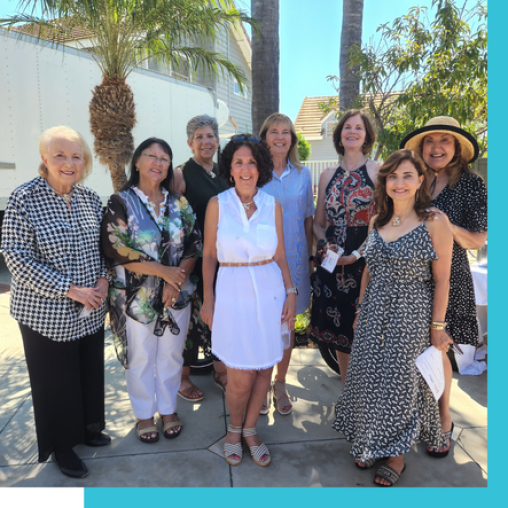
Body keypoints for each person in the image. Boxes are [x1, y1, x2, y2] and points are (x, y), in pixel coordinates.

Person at [334, 149, 453, 486]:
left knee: (400, 383)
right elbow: (369, 269)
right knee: (368, 376)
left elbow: (443, 279)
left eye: (407, 176)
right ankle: (370, 441)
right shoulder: (377, 221)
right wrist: (360, 309)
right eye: (393, 176)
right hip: (373, 310)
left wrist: (437, 327)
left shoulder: (434, 221)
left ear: (419, 181)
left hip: (411, 311)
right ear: (384, 182)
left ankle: (396, 456)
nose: (399, 183)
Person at [0, 126, 110, 479]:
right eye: (60, 155)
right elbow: (16, 257)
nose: (69, 163)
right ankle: (62, 446)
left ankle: (88, 428)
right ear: (44, 158)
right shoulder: (24, 199)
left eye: (76, 156)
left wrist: (103, 278)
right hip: (45, 314)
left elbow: (104, 247)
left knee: (89, 372)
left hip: (90, 309)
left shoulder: (89, 198)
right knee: (56, 382)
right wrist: (69, 289)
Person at [201, 135, 297, 467]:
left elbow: (280, 255)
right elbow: (209, 254)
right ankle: (233, 430)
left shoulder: (273, 205)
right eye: (238, 162)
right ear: (229, 169)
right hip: (232, 295)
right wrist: (209, 298)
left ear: (261, 167)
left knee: (263, 370)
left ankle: (251, 429)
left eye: (252, 162)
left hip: (270, 293)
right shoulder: (217, 204)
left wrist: (291, 292)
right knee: (239, 377)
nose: (245, 169)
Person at [101, 137, 202, 444]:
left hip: (176, 295)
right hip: (135, 298)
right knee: (141, 356)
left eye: (164, 159)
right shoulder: (120, 202)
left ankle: (168, 409)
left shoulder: (179, 202)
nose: (158, 163)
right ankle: (144, 414)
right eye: (152, 156)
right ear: (137, 161)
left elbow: (194, 243)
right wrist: (164, 272)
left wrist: (175, 281)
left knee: (171, 355)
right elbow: (117, 247)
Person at [400, 116, 487, 458]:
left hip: (450, 277)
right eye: (430, 141)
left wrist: (446, 225)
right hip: (413, 276)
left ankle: (443, 417)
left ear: (457, 148)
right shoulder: (416, 180)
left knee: (439, 349)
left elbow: (478, 239)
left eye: (444, 140)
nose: (436, 147)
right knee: (413, 350)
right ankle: (417, 415)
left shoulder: (472, 184)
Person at [310, 109, 380, 384]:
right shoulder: (327, 174)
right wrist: (325, 245)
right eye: (347, 127)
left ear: (367, 136)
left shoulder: (378, 171)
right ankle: (347, 393)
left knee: (364, 330)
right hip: (332, 263)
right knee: (339, 334)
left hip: (365, 262)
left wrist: (358, 254)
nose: (352, 131)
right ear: (339, 135)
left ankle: (366, 395)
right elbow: (318, 223)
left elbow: (383, 222)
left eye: (358, 127)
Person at [259, 113, 315, 415]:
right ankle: (261, 383)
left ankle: (280, 383)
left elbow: (308, 219)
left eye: (286, 132)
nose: (280, 137)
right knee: (265, 323)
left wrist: (309, 257)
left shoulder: (303, 175)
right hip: (263, 264)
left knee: (287, 323)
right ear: (264, 137)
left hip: (294, 260)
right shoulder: (254, 173)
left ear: (292, 139)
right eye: (274, 131)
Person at [172, 115, 229, 401]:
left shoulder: (225, 172)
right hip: (191, 259)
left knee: (218, 316)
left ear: (217, 140)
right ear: (189, 142)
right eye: (199, 137)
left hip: (223, 259)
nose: (205, 142)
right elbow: (170, 220)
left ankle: (220, 371)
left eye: (210, 136)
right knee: (189, 322)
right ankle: (183, 378)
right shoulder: (181, 174)